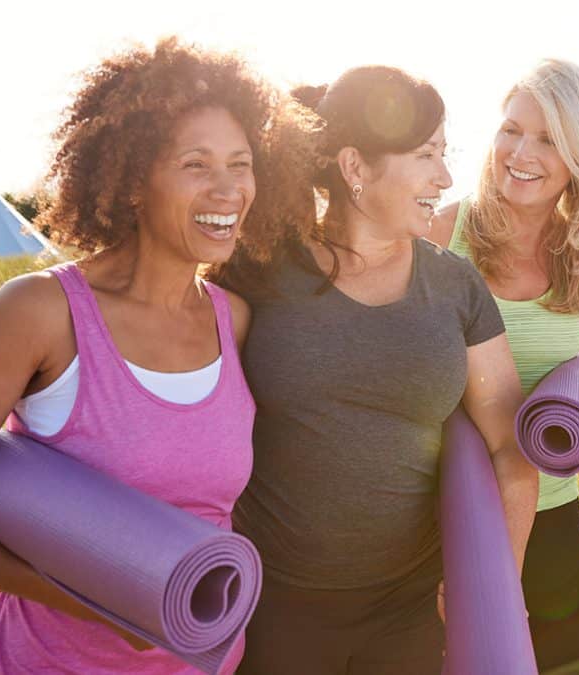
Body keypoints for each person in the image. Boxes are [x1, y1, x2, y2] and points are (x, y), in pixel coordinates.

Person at [0, 38, 315, 674]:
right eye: (196, 164)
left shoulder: (233, 320)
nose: (228, 189)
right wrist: (98, 601)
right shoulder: (40, 312)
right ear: (134, 180)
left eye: (240, 164)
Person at [223, 65, 539, 675]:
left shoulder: (454, 284)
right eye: (426, 155)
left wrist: (497, 589)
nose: (445, 177)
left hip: (410, 608)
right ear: (354, 168)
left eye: (445, 155)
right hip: (271, 600)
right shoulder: (259, 270)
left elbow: (510, 448)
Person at [428, 58, 579, 675]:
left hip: (549, 512)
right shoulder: (445, 231)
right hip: (441, 513)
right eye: (511, 128)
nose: (520, 151)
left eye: (548, 139)